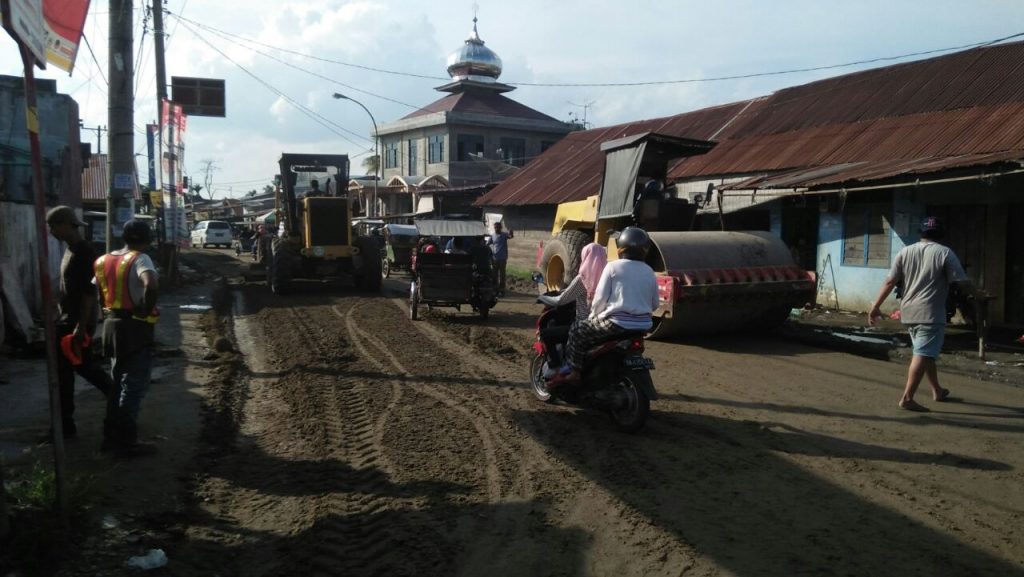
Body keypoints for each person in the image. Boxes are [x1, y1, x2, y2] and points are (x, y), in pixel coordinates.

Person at [869, 216, 977, 412]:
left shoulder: (905, 251)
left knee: (925, 352)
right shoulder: (945, 253)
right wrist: (977, 293)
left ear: (921, 233)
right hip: (930, 313)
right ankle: (907, 398)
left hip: (909, 311)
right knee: (922, 353)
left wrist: (876, 306)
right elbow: (961, 281)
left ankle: (937, 390)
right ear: (941, 235)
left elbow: (890, 281)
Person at [551, 227, 659, 385]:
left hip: (617, 324)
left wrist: (594, 317)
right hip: (643, 326)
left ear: (621, 247)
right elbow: (655, 304)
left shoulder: (613, 267)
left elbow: (600, 299)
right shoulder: (649, 271)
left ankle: (575, 372)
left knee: (576, 330)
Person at [45, 206, 113, 441]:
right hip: (67, 319)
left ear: (66, 225)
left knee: (81, 368)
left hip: (76, 322)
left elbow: (88, 293)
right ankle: (65, 425)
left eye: (53, 226)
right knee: (68, 372)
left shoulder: (84, 252)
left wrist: (80, 327)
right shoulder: (70, 250)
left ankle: (119, 402)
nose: (51, 231)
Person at [94, 220, 160, 456]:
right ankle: (126, 440)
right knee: (133, 386)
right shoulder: (140, 258)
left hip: (111, 326)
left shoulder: (103, 260)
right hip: (135, 328)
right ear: (147, 239)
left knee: (116, 383)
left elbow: (98, 292)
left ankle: (110, 437)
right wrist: (145, 307)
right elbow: (150, 284)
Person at [537, 242, 608, 377]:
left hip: (583, 325)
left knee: (546, 334)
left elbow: (561, 300)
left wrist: (542, 298)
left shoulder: (583, 279)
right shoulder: (607, 277)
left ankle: (554, 367)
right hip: (602, 325)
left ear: (585, 258)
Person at [487, 221, 514, 296]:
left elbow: (510, 236)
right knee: (494, 275)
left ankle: (502, 290)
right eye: (495, 227)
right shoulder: (492, 236)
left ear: (500, 228)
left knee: (502, 275)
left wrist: (511, 233)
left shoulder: (504, 235)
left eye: (497, 227)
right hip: (495, 258)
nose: (496, 229)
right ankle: (495, 289)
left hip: (502, 258)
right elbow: (487, 244)